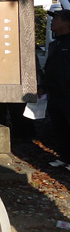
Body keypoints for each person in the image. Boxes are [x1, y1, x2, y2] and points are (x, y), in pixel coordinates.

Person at [43, 9, 70, 160]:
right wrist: (43, 87)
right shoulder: (55, 44)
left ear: (67, 22)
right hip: (54, 94)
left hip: (67, 94)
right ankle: (64, 158)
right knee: (59, 127)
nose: (52, 21)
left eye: (56, 18)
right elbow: (50, 69)